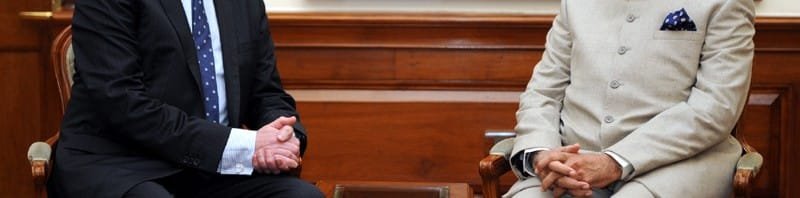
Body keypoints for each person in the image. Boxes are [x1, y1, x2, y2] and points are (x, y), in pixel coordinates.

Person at [46, 0, 323, 197]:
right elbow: (122, 102)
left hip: (211, 170)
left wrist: (285, 137)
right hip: (122, 163)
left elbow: (266, 92)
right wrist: (246, 145)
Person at [506, 0, 755, 197]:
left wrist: (612, 162)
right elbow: (543, 92)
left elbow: (715, 108)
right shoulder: (575, 3)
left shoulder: (726, 2)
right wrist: (544, 156)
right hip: (572, 165)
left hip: (677, 166)